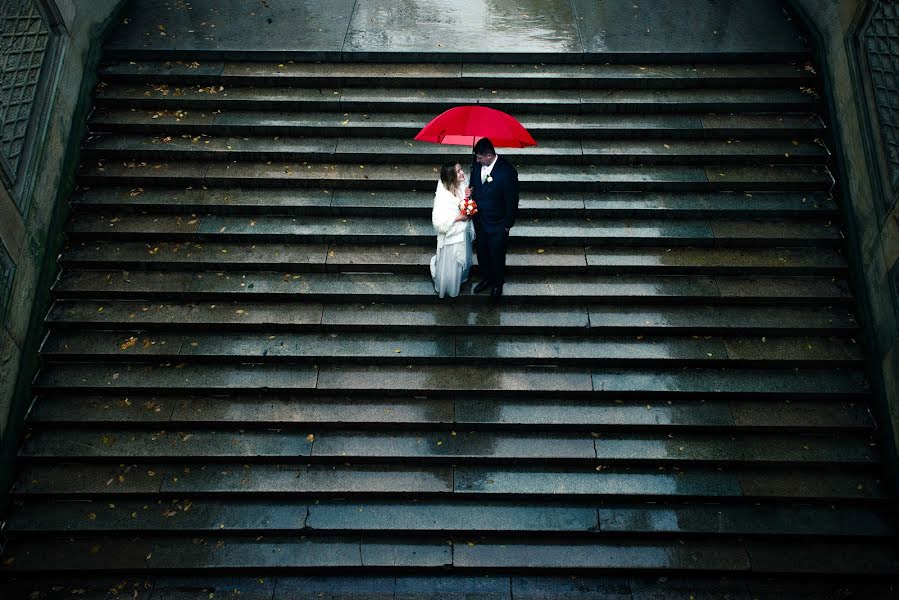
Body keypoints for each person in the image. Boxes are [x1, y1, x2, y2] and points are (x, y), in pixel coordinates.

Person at [470, 137, 519, 299]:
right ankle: (486, 278)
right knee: (482, 253)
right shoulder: (476, 166)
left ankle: (498, 284)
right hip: (480, 222)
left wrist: (507, 225)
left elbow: (512, 200)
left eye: (479, 158)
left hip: (498, 224)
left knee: (497, 255)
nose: (477, 161)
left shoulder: (507, 172)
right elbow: (474, 186)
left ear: (489, 156)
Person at [430, 161, 475, 298]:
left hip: (463, 231)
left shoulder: (463, 184)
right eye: (458, 171)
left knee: (461, 261)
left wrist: (467, 196)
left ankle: (460, 279)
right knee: (451, 263)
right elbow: (438, 222)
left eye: (461, 169)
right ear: (450, 176)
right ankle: (448, 285)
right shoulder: (443, 195)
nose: (462, 173)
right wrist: (458, 218)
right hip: (451, 234)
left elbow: (464, 204)